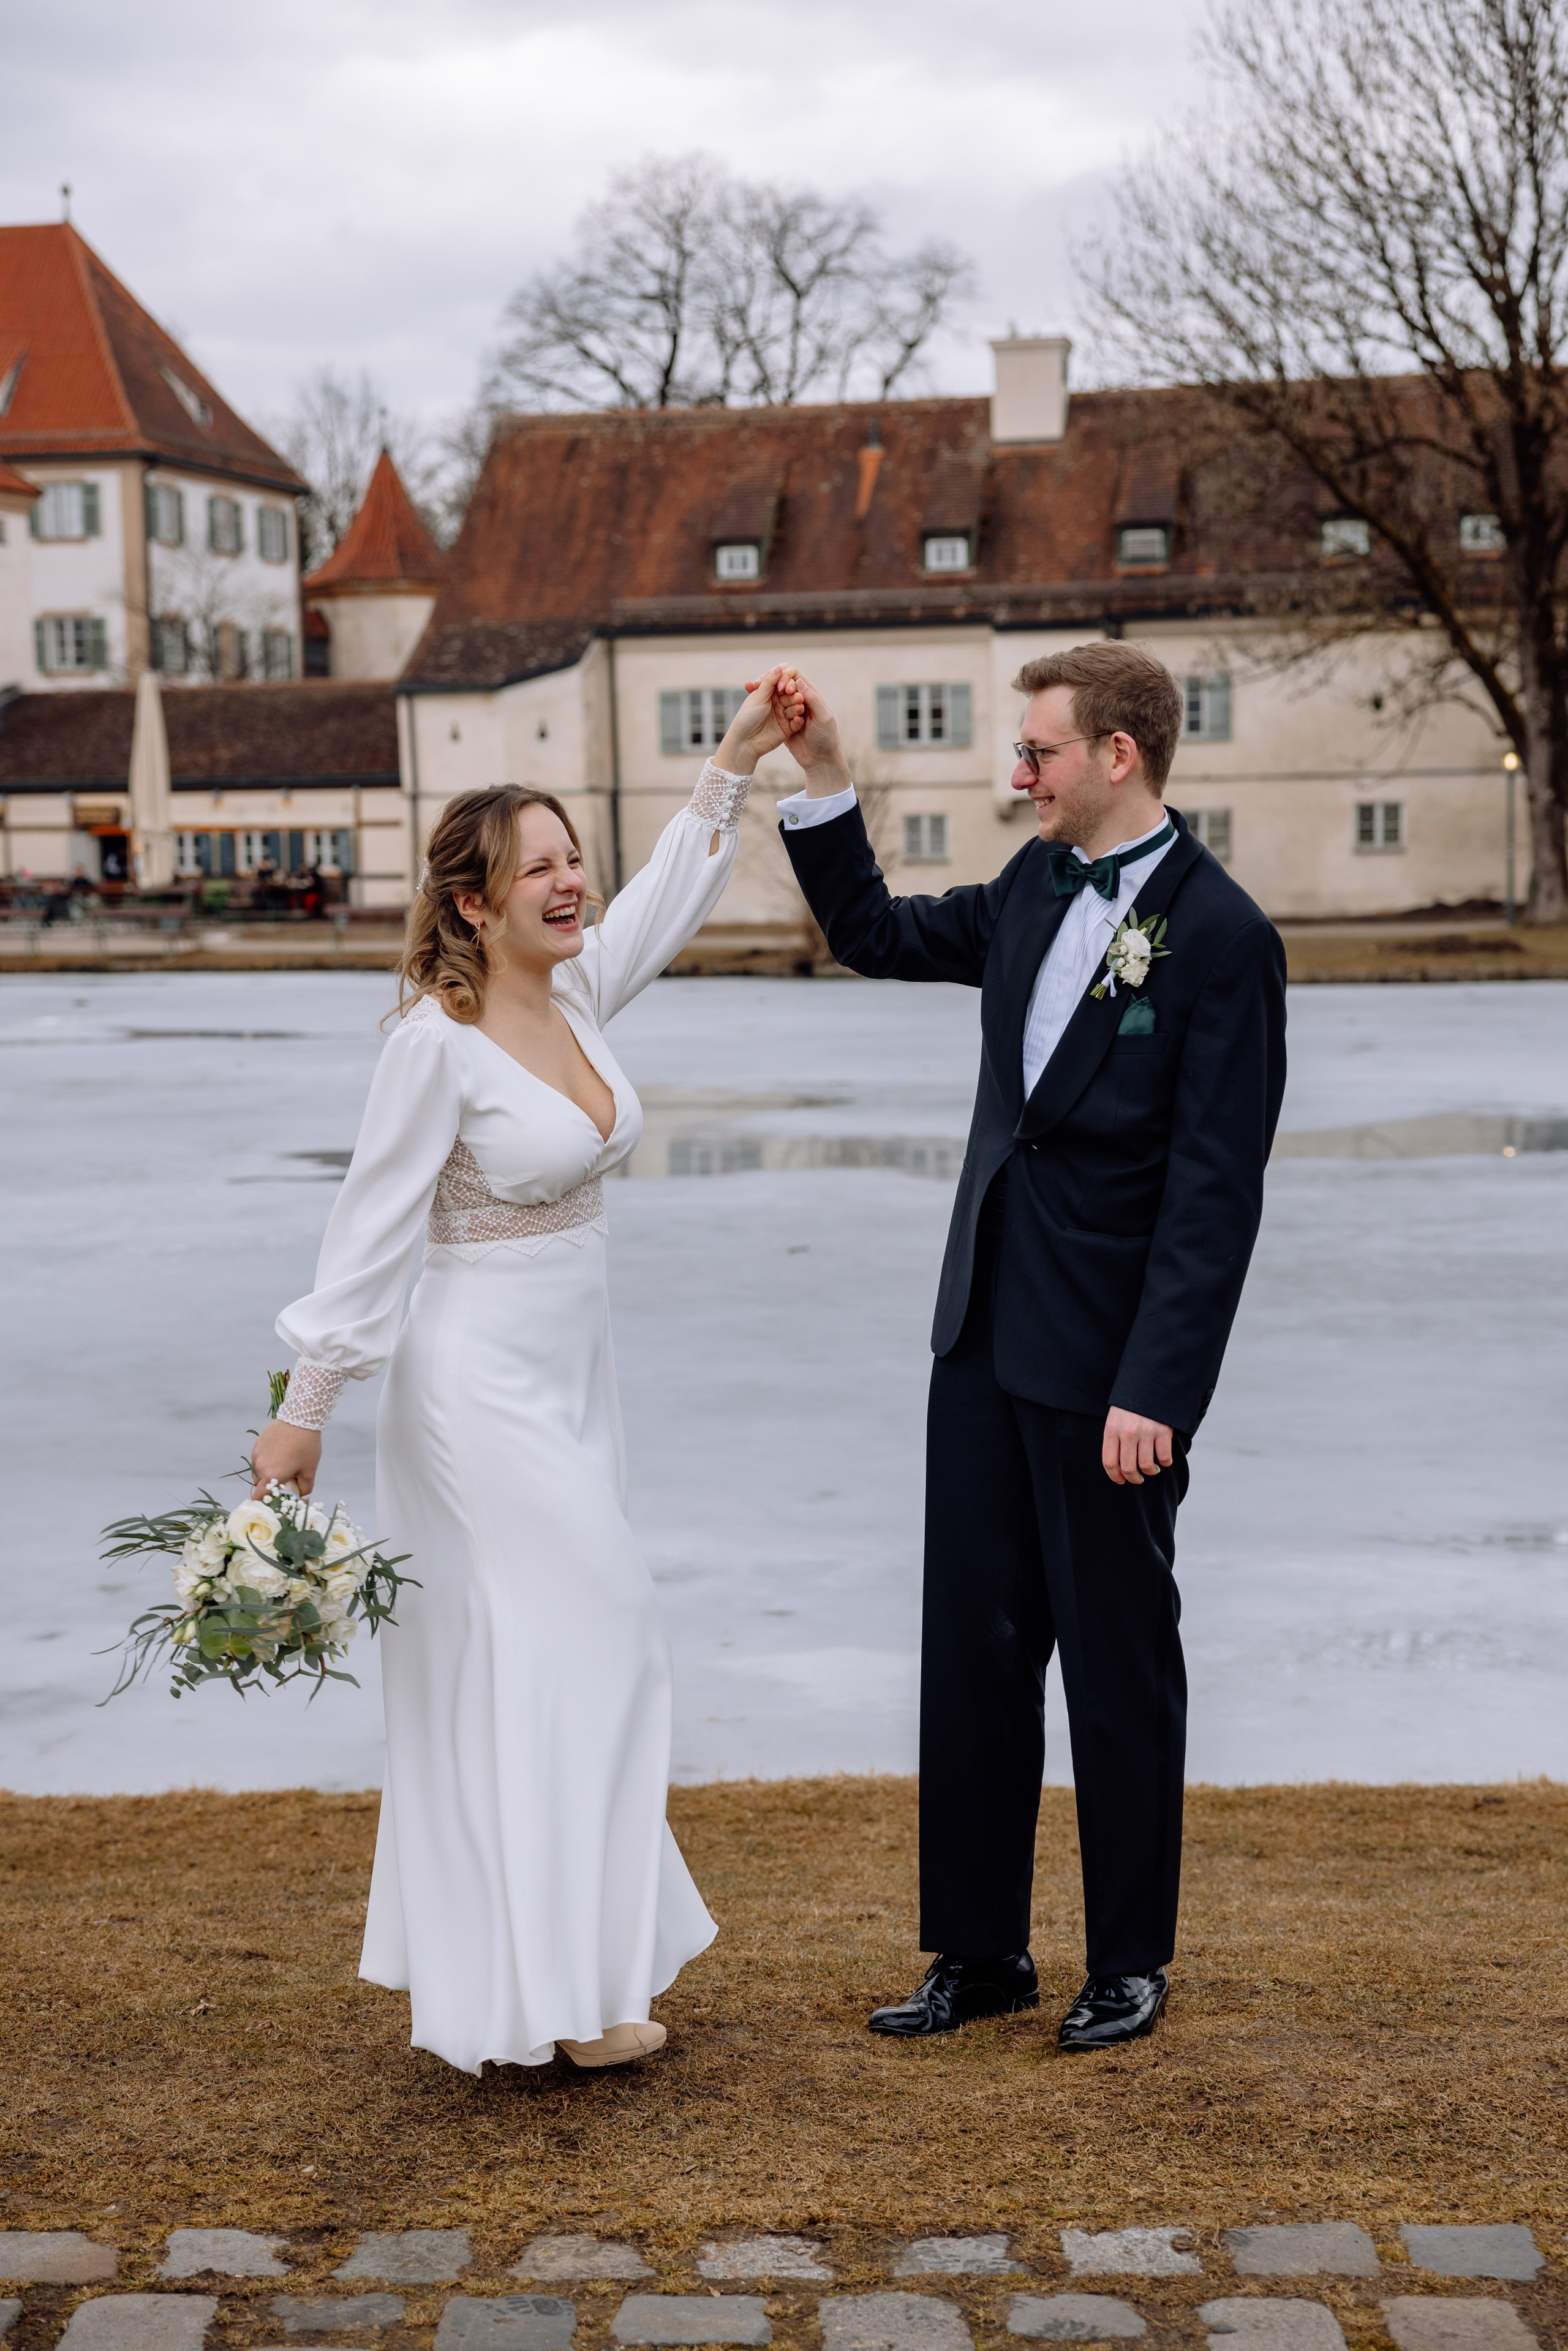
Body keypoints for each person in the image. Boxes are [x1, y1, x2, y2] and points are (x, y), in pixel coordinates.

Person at [249, 672, 797, 2074]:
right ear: (472, 905)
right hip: (470, 1390)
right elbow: (366, 1234)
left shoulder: (577, 993)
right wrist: (301, 1415)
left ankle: (569, 1985)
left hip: (571, 1377)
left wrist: (733, 760)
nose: (569, 881)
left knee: (555, 1667)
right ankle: (547, 1984)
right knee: (591, 1639)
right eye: (535, 868)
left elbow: (668, 893)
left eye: (570, 857)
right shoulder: (433, 1044)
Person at [766, 644, 1286, 2051]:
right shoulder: (1025, 889)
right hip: (980, 1343)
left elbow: (1213, 1194)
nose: (1019, 772)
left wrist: (1155, 1391)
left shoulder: (1224, 938)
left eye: (1038, 750)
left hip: (1111, 1375)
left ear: (1117, 754)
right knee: (976, 1653)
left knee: (1119, 1670)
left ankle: (1127, 1958)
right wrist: (822, 779)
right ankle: (979, 1950)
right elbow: (870, 932)